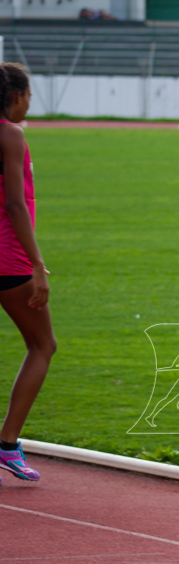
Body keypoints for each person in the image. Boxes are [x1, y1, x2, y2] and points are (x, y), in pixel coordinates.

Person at [0, 63, 50, 485]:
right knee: (42, 345)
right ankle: (7, 443)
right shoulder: (10, 134)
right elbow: (16, 205)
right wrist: (37, 266)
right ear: (15, 96)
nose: (30, 103)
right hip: (8, 259)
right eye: (28, 95)